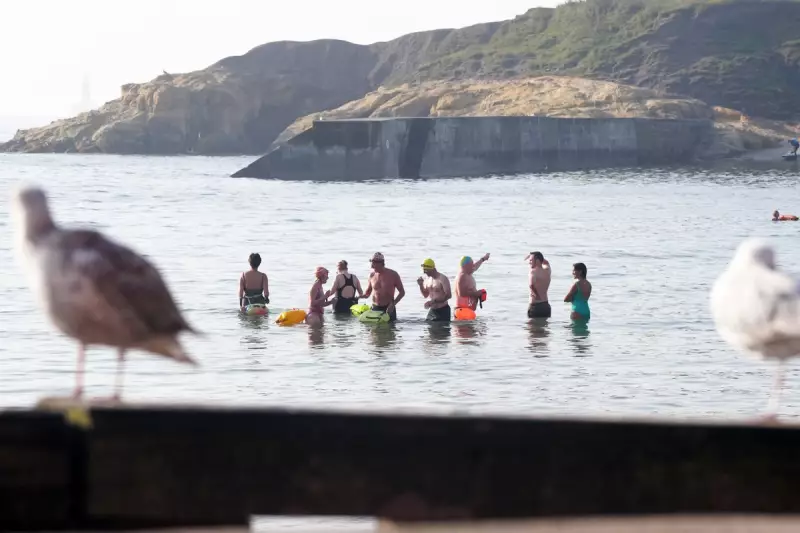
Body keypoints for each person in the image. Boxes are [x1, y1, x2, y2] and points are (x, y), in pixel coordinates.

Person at [361, 252, 405, 322]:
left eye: (374, 264)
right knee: (375, 331)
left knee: (390, 330)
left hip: (389, 308)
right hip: (375, 308)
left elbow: (402, 292)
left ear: (381, 263)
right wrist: (358, 297)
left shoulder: (393, 275)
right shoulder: (371, 275)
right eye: (371, 263)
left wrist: (393, 304)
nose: (371, 266)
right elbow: (367, 293)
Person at [527, 251, 552, 318]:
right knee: (544, 327)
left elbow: (531, 285)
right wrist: (535, 256)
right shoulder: (547, 270)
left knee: (532, 327)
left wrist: (536, 295)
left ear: (537, 261)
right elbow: (546, 262)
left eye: (531, 260)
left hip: (535, 306)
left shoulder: (533, 271)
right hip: (545, 305)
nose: (529, 262)